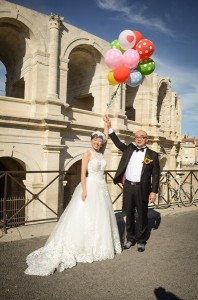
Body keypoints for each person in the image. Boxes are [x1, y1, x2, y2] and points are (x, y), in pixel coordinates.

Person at [24, 125, 122, 276]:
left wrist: (106, 126)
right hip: (90, 186)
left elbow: (106, 139)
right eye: (95, 141)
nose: (97, 143)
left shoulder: (101, 152)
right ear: (91, 141)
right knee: (85, 215)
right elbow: (83, 174)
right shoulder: (87, 153)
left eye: (99, 142)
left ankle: (98, 245)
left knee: (100, 216)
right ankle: (82, 245)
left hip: (101, 187)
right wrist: (84, 190)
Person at [105, 116, 160, 252]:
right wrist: (109, 127)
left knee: (142, 214)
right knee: (128, 213)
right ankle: (130, 238)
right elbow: (118, 143)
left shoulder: (152, 155)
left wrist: (154, 191)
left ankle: (141, 241)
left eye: (142, 136)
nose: (139, 139)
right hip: (128, 186)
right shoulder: (129, 149)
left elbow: (156, 175)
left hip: (143, 188)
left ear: (146, 139)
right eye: (136, 137)